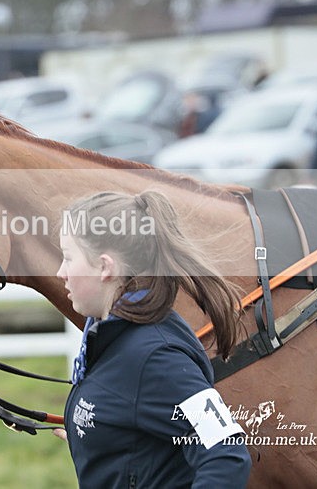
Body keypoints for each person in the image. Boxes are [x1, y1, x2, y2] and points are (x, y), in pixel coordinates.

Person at [53, 190, 251, 488]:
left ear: (105, 267)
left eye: (68, 258)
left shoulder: (157, 357)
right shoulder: (107, 336)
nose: (61, 273)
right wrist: (98, 439)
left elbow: (227, 455)